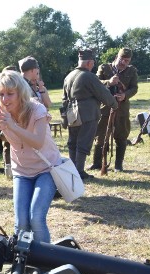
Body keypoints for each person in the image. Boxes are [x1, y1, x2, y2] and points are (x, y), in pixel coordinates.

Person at [0, 71, 61, 243]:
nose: (5, 99)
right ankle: (22, 262)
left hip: (47, 168)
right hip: (22, 171)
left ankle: (45, 263)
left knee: (36, 218)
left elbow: (37, 142)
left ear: (20, 92)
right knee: (21, 223)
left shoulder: (37, 110)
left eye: (10, 94)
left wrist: (12, 126)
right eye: (1, 94)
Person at [63, 49, 118, 179]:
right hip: (87, 114)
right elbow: (103, 93)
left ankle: (73, 170)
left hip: (71, 113)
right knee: (83, 142)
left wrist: (65, 116)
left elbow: (64, 98)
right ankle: (79, 171)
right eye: (92, 63)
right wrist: (114, 104)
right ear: (89, 63)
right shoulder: (89, 76)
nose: (93, 65)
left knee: (73, 142)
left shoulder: (69, 76)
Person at [90, 48, 139, 172]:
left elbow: (134, 88)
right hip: (105, 108)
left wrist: (125, 95)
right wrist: (108, 82)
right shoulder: (105, 68)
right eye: (122, 59)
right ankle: (97, 163)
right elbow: (95, 83)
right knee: (101, 136)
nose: (124, 62)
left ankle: (118, 165)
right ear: (117, 57)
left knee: (121, 136)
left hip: (122, 109)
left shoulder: (132, 71)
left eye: (127, 61)